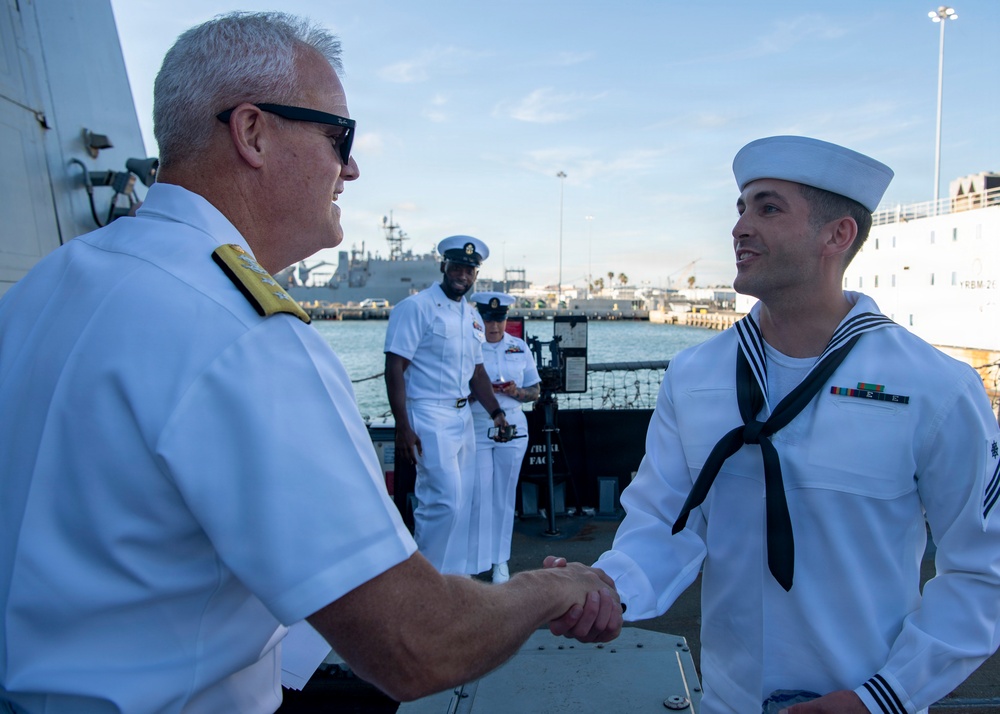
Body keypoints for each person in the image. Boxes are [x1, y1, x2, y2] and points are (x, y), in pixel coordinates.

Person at [0, 12, 622, 713]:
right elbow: (418, 645)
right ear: (253, 133)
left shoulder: (43, 289)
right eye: (339, 137)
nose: (351, 167)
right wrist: (551, 588)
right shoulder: (243, 336)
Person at [557, 136, 1000, 713]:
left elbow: (983, 571)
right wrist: (608, 590)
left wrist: (885, 697)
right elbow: (665, 521)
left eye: (767, 208)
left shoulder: (933, 386)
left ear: (836, 235)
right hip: (726, 701)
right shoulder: (695, 375)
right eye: (740, 209)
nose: (740, 227)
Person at [383, 237, 512, 576]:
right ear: (443, 266)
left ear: (476, 274)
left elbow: (478, 371)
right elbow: (395, 366)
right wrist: (403, 427)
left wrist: (496, 412)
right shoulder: (416, 307)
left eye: (469, 270)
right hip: (427, 411)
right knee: (442, 502)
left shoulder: (471, 317)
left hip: (462, 417)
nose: (462, 275)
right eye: (456, 267)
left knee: (462, 502)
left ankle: (453, 579)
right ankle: (424, 581)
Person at [468, 292, 541, 583]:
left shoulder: (519, 348)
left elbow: (535, 390)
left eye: (499, 319)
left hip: (513, 427)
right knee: (479, 496)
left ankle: (500, 561)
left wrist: (516, 392)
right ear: (479, 318)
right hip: (478, 425)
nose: (493, 325)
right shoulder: (470, 348)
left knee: (504, 496)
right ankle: (475, 561)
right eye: (487, 319)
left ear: (506, 320)